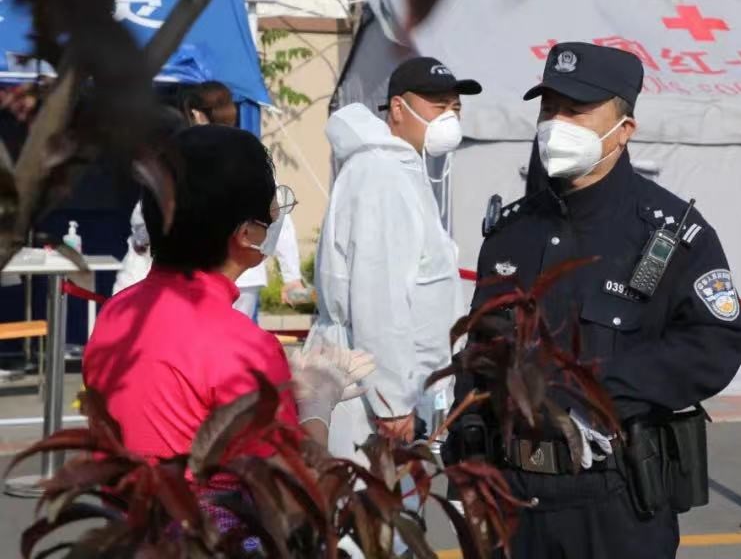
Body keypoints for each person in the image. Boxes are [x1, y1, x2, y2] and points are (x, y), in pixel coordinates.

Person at [450, 43, 741, 559]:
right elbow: (482, 347)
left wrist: (597, 394)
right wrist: (465, 445)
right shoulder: (510, 232)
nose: (556, 125)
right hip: (511, 500)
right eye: (549, 109)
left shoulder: (669, 233)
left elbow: (716, 340)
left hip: (614, 499)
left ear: (624, 128)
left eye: (576, 110)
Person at [84, 125, 373, 467]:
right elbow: (293, 485)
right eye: (274, 207)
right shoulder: (246, 348)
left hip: (121, 499)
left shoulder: (117, 311)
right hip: (199, 503)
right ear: (247, 233)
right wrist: (316, 409)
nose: (277, 217)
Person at [306, 56, 481, 459]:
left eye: (455, 107)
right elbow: (378, 297)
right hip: (367, 389)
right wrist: (392, 402)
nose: (449, 117)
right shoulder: (382, 175)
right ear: (398, 109)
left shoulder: (401, 170)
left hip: (390, 384)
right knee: (365, 493)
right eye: (438, 106)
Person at [111, 83, 306, 321]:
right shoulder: (251, 157)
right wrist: (292, 276)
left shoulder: (184, 157)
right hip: (240, 275)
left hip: (197, 276)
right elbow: (277, 216)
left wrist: (143, 239)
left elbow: (146, 218)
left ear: (195, 114)